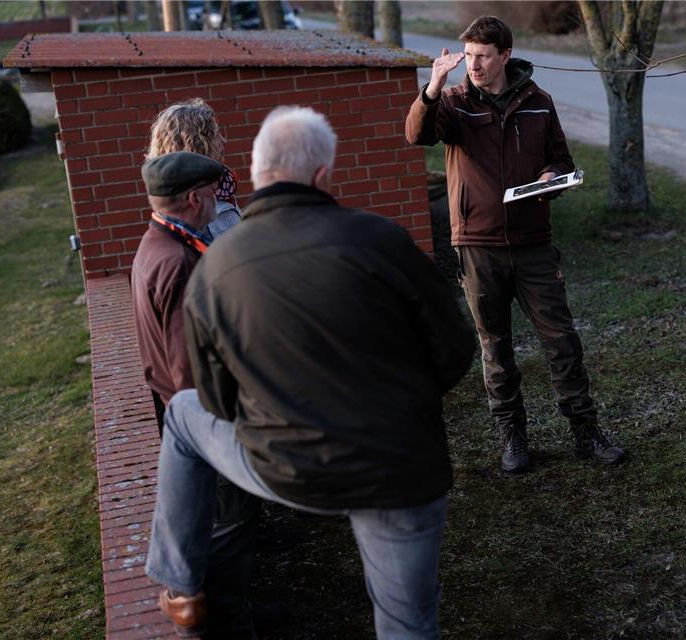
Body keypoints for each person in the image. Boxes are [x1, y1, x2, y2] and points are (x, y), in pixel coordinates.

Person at [145, 106, 476, 639]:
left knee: (183, 413)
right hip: (394, 465)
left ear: (256, 175)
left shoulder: (215, 265)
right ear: (323, 175)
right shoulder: (384, 240)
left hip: (284, 467)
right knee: (407, 622)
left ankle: (181, 586)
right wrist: (400, 399)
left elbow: (215, 397)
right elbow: (455, 351)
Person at [405, 15, 623, 475]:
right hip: (477, 246)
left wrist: (550, 178)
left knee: (562, 342)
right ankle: (513, 437)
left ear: (505, 55)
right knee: (496, 348)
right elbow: (417, 135)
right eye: (468, 55)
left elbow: (561, 160)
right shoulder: (454, 102)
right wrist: (432, 87)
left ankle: (585, 431)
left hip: (533, 244)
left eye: (483, 56)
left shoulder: (538, 103)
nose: (474, 64)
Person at [140, 100, 263, 639]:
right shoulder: (178, 262)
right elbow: (187, 369)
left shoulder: (162, 243)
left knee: (229, 520)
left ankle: (237, 608)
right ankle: (227, 621)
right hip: (208, 419)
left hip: (196, 412)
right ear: (195, 197)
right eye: (212, 190)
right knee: (229, 523)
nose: (220, 195)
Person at [147, 98, 241, 242]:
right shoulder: (210, 207)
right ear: (200, 144)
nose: (222, 141)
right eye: (215, 135)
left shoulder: (168, 196)